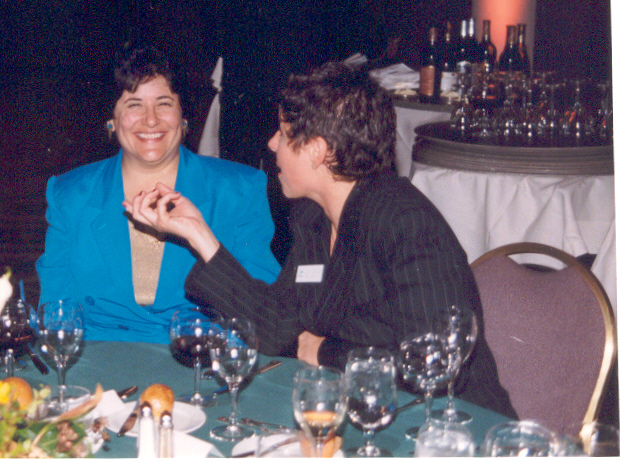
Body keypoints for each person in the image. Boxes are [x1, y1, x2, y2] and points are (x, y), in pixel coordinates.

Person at [124, 61, 517, 418]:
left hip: (455, 423)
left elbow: (436, 366)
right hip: (369, 413)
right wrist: (199, 234)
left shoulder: (405, 223)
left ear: (317, 151)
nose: (272, 144)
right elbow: (277, 327)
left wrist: (325, 351)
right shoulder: (313, 219)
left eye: (283, 133)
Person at [35, 46, 281, 344]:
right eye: (134, 105)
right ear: (112, 119)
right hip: (97, 357)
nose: (151, 120)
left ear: (183, 115)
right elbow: (56, 311)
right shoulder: (70, 194)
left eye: (164, 104)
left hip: (201, 354)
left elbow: (261, 311)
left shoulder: (240, 189)